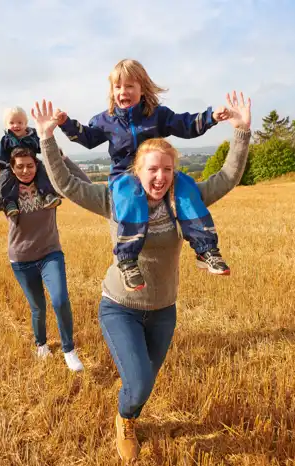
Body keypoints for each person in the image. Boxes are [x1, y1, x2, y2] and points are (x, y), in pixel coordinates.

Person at [31, 91, 252, 461]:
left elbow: (227, 177)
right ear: (138, 170)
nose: (161, 176)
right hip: (120, 306)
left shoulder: (185, 199)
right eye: (152, 169)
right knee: (140, 382)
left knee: (144, 384)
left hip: (164, 309)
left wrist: (242, 131)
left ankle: (130, 406)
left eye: (167, 169)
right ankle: (125, 420)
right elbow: (68, 186)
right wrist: (46, 138)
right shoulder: (114, 200)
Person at [54, 59, 232, 292]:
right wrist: (66, 123)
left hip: (157, 173)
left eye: (129, 86)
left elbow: (186, 125)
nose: (123, 92)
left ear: (142, 88)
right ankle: (127, 260)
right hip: (124, 176)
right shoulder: (105, 120)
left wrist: (211, 117)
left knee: (186, 185)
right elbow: (87, 138)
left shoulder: (157, 115)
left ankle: (205, 249)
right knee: (131, 194)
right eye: (117, 87)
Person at [0, 145, 86, 372]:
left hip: (51, 253)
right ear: (11, 168)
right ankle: (41, 345)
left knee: (60, 300)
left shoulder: (49, 186)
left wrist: (64, 159)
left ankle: (69, 350)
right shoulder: (5, 192)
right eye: (19, 167)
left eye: (30, 165)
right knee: (38, 308)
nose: (25, 171)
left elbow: (84, 185)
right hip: (21, 259)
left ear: (37, 165)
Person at [0, 106, 62, 218]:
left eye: (20, 122)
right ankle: (10, 203)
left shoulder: (32, 136)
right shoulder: (6, 140)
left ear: (26, 123)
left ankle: (48, 195)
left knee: (42, 170)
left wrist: (56, 151)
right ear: (6, 125)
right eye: (11, 123)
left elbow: (44, 146)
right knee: (6, 178)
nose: (16, 125)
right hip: (10, 167)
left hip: (33, 165)